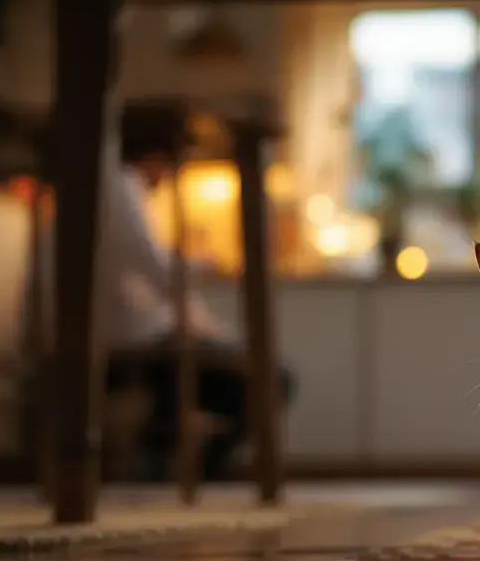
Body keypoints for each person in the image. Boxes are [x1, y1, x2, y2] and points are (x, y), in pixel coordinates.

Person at [33, 103, 294, 481]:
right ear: (158, 156)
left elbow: (146, 278)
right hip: (126, 339)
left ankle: (159, 455)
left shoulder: (95, 185)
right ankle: (189, 465)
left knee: (214, 369)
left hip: (108, 332)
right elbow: (159, 272)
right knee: (272, 379)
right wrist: (209, 264)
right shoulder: (120, 186)